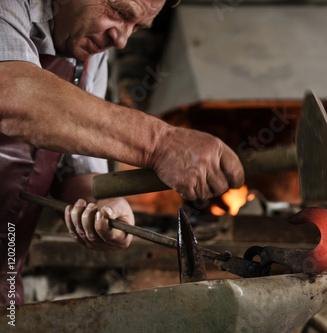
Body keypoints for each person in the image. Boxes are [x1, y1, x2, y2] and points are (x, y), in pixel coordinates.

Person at [0, 0, 244, 306]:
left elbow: (80, 174)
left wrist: (108, 209)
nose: (122, 40)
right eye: (119, 12)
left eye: (138, 26)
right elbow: (12, 98)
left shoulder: (88, 56)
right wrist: (161, 144)